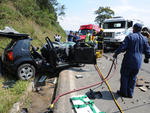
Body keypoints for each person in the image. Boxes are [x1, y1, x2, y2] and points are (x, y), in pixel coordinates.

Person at [113, 23, 150, 98]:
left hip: (129, 60)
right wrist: (147, 57)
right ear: (141, 29)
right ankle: (130, 93)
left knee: (125, 76)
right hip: (138, 62)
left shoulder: (130, 37)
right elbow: (148, 51)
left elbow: (122, 47)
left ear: (134, 28)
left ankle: (123, 93)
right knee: (133, 77)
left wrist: (116, 53)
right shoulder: (144, 39)